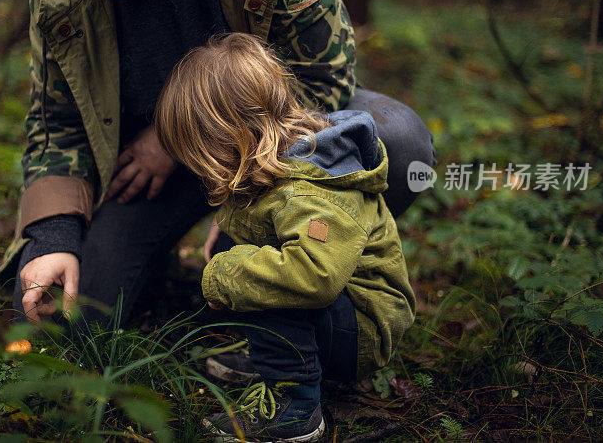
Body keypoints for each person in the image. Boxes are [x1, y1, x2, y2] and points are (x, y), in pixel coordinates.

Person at [0, 0, 434, 325]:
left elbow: (322, 78)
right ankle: (154, 266)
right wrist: (54, 237)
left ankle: (310, 314)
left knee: (398, 141)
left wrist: (241, 193)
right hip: (138, 172)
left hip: (267, 147)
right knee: (52, 320)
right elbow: (57, 123)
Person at [154, 33, 415, 442]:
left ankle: (294, 405)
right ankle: (274, 358)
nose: (201, 171)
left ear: (233, 136)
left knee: (257, 274)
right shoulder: (281, 161)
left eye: (203, 156)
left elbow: (314, 276)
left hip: (362, 331)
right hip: (341, 312)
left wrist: (228, 274)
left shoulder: (312, 190)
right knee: (237, 251)